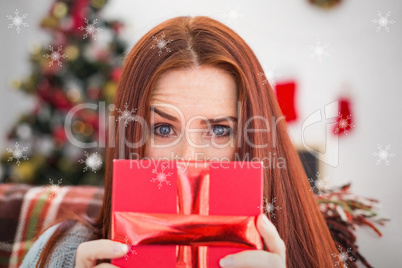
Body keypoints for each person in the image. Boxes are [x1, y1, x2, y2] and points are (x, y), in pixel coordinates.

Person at [21, 16, 338, 268]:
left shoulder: (312, 253)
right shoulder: (63, 253)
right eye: (162, 129)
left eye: (218, 131)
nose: (189, 157)